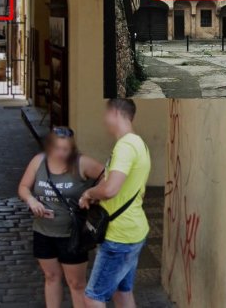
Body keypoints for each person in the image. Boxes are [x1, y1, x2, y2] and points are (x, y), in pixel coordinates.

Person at [18, 127, 104, 308]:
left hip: (72, 235)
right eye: (58, 148)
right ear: (50, 147)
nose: (62, 153)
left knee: (76, 283)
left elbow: (107, 176)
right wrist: (31, 201)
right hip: (43, 231)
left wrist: (91, 194)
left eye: (66, 149)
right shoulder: (38, 161)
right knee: (51, 277)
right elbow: (24, 187)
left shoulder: (82, 163)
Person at [78, 99, 150, 308]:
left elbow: (110, 189)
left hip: (120, 236)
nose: (104, 120)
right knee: (122, 292)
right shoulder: (139, 144)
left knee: (92, 297)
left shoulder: (125, 146)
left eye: (106, 114)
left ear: (116, 113)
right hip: (133, 231)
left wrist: (89, 192)